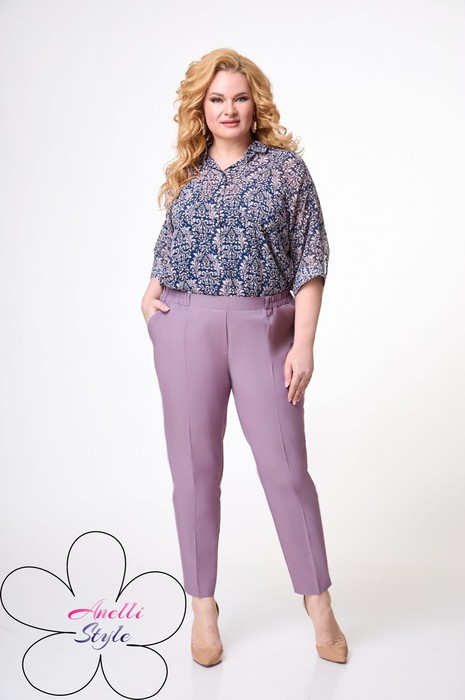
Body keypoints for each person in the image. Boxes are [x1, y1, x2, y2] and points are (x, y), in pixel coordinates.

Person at [141, 48, 348, 666]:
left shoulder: (285, 171)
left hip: (264, 325)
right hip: (186, 328)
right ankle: (202, 608)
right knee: (194, 472)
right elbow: (166, 254)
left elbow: (310, 259)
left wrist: (304, 342)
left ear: (255, 103)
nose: (228, 109)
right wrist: (151, 302)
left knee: (285, 469)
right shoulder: (189, 173)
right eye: (216, 99)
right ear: (201, 108)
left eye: (238, 97)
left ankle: (319, 604)